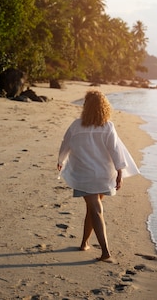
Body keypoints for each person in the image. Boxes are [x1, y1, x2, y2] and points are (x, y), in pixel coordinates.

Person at [57, 89, 139, 262]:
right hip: (103, 174)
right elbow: (115, 151)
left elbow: (66, 144)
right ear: (103, 107)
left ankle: (105, 251)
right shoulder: (107, 126)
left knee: (94, 208)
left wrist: (61, 159)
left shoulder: (76, 125)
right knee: (93, 208)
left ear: (86, 107)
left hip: (84, 174)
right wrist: (119, 172)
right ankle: (85, 243)